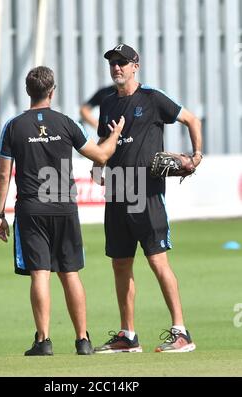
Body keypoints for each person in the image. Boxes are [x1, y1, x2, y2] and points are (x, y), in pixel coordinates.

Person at [0, 66, 124, 356]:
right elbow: (101, 155)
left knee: (40, 274)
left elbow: (3, 175)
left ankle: (43, 341)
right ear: (53, 91)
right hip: (64, 207)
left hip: (31, 209)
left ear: (29, 92)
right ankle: (83, 340)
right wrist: (115, 135)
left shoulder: (14, 126)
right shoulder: (66, 123)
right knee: (70, 273)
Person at [92, 44, 202, 353]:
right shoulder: (108, 103)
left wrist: (196, 156)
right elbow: (104, 140)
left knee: (157, 261)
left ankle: (182, 332)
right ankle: (128, 336)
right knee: (120, 264)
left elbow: (192, 120)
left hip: (147, 193)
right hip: (116, 191)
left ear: (135, 66)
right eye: (113, 63)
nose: (116, 67)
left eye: (122, 62)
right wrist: (96, 162)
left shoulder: (152, 98)